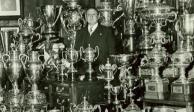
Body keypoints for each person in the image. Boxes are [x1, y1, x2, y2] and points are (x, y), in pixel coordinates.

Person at [74, 7, 116, 77]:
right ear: (85, 17)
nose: (91, 16)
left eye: (93, 14)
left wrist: (107, 66)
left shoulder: (107, 31)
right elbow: (76, 53)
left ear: (98, 16)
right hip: (83, 73)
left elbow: (112, 53)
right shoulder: (80, 32)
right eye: (88, 15)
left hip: (101, 73)